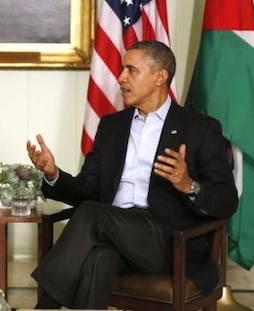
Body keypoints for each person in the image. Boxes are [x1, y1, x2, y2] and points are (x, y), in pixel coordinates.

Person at [27, 40, 238, 309]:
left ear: (160, 77)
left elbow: (227, 199)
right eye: (122, 70)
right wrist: (53, 174)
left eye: (131, 70)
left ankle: (45, 307)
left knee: (92, 214)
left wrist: (189, 185)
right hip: (113, 231)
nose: (120, 78)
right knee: (99, 258)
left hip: (169, 241)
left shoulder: (199, 128)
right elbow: (88, 190)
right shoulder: (112, 126)